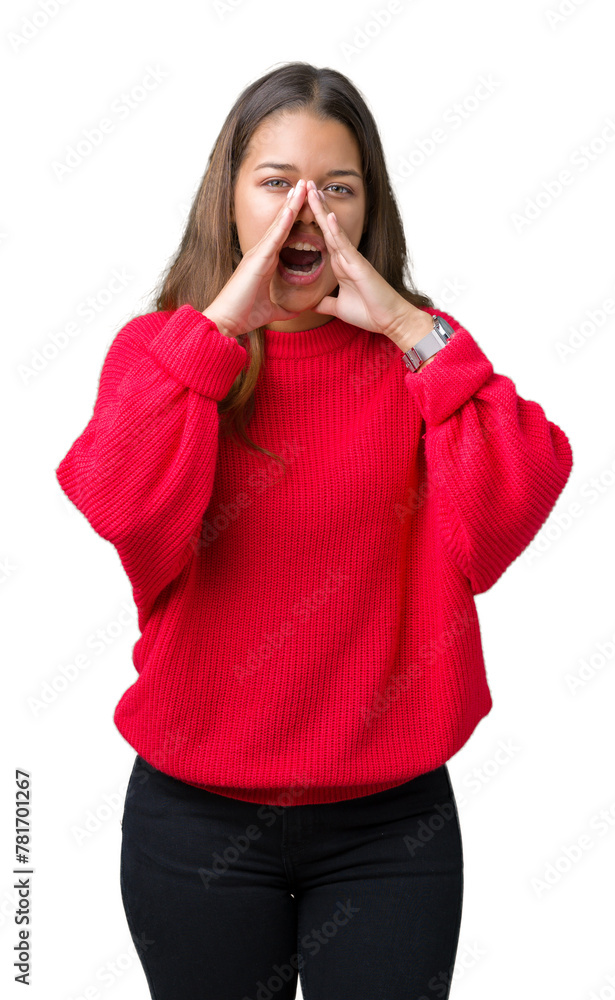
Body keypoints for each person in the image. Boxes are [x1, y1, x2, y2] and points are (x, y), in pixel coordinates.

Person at [55, 61, 573, 1000]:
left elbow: (512, 506)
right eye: (276, 184)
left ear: (370, 208)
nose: (308, 213)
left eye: (337, 188)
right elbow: (116, 501)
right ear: (229, 199)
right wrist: (218, 331)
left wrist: (411, 330)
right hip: (194, 824)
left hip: (389, 829)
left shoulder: (422, 355)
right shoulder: (164, 353)